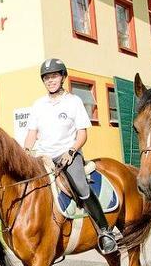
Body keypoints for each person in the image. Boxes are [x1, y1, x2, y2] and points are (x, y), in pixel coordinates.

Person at [23, 58, 118, 255]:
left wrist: (72, 151)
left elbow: (82, 134)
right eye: (47, 77)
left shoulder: (74, 101)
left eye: (54, 76)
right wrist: (26, 151)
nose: (50, 80)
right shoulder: (38, 105)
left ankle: (105, 231)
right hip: (43, 157)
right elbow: (32, 133)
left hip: (68, 154)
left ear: (63, 77)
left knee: (81, 186)